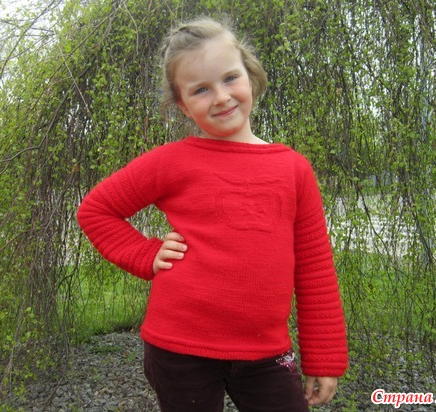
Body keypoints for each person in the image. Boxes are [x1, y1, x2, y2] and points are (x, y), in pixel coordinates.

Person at [77, 16, 348, 412]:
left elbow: (315, 266)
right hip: (179, 349)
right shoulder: (171, 161)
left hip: (267, 353)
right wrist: (145, 254)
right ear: (184, 106)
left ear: (250, 77)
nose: (221, 97)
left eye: (230, 78)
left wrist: (324, 358)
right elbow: (96, 210)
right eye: (201, 89)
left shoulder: (293, 169)